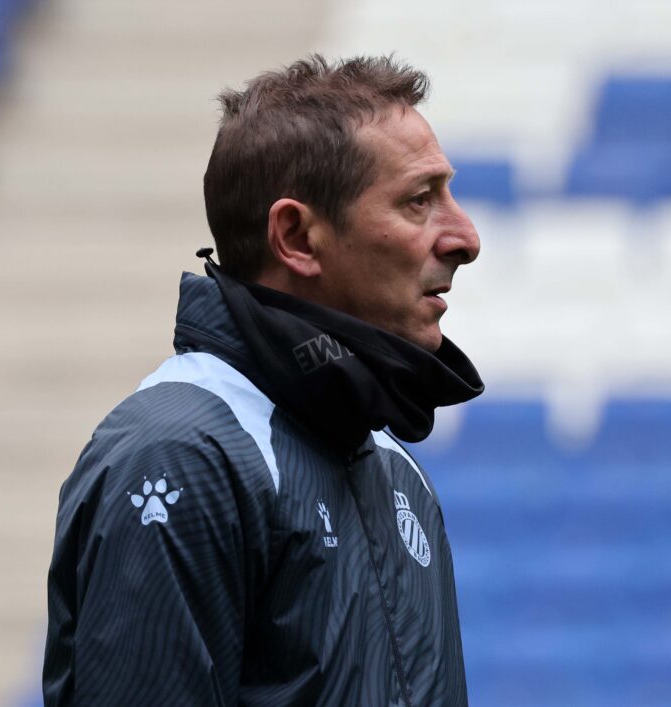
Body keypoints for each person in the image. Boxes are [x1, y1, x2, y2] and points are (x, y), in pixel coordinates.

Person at [43, 55, 484, 706]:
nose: (465, 237)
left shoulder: (397, 471)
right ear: (297, 236)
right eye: (419, 201)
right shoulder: (182, 456)